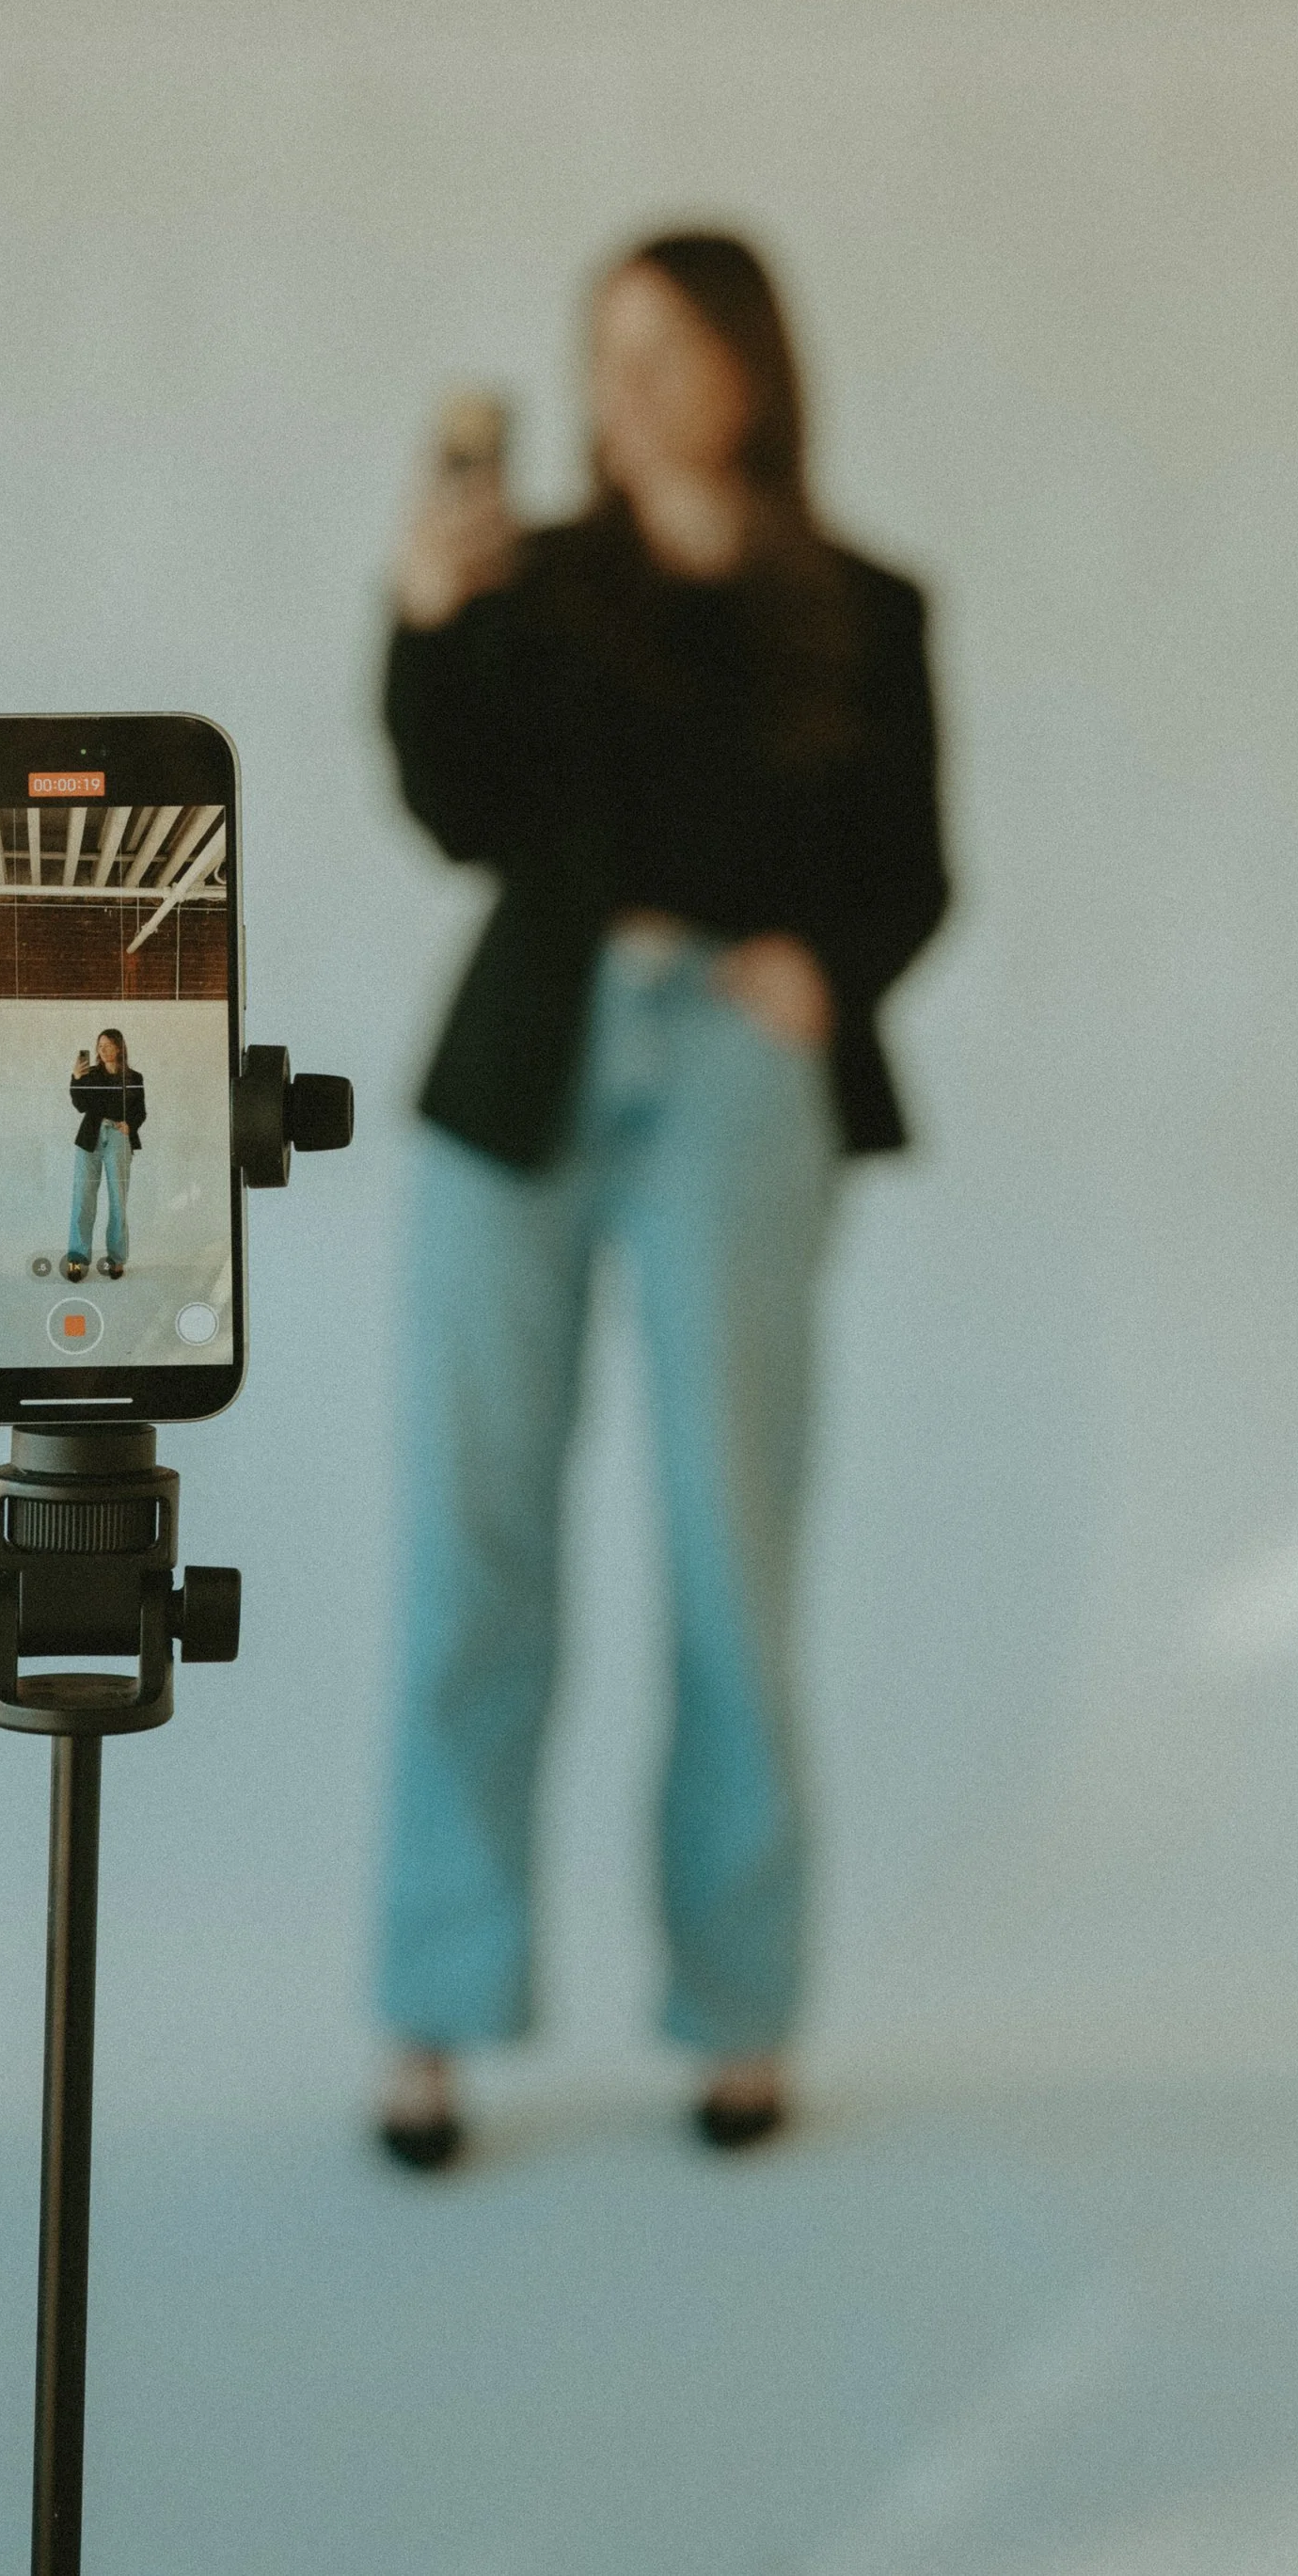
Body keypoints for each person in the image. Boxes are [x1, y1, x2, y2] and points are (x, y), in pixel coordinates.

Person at [375, 225, 948, 2171]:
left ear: (746, 371)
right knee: (475, 1552)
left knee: (731, 1557)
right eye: (600, 351)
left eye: (665, 350)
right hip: (526, 1062)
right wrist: (420, 619)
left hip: (733, 1075)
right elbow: (453, 812)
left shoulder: (864, 607)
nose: (623, 388)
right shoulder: (530, 585)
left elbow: (913, 868)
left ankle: (738, 2015)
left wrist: (821, 971)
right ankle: (430, 2017)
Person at [65, 1029, 144, 1283]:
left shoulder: (134, 1077)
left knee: (118, 1200)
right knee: (83, 1197)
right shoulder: (91, 1075)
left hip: (119, 1137)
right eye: (100, 1046)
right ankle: (77, 1258)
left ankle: (117, 1258)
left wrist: (130, 1125)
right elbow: (80, 1106)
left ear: (119, 1047)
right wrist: (76, 1078)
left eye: (109, 1045)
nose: (104, 1050)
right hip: (90, 1137)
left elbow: (140, 1111)